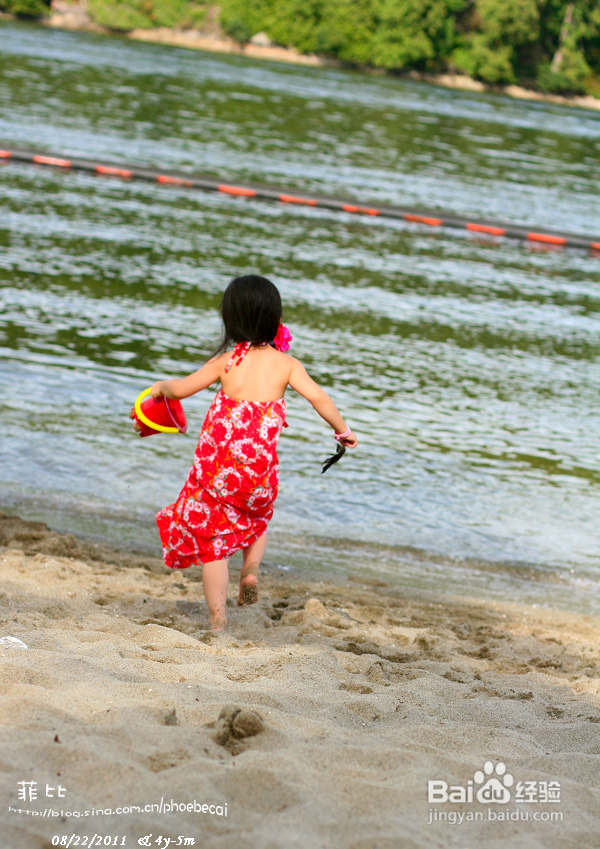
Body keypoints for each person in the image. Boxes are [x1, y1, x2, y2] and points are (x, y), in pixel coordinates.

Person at [130, 274, 357, 631]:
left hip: (218, 476)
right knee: (257, 519)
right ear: (275, 319)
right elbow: (318, 397)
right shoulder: (287, 365)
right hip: (258, 477)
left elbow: (182, 389)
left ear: (231, 319)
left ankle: (218, 619)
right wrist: (342, 431)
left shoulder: (226, 362)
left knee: (214, 545)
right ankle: (250, 572)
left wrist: (159, 388)